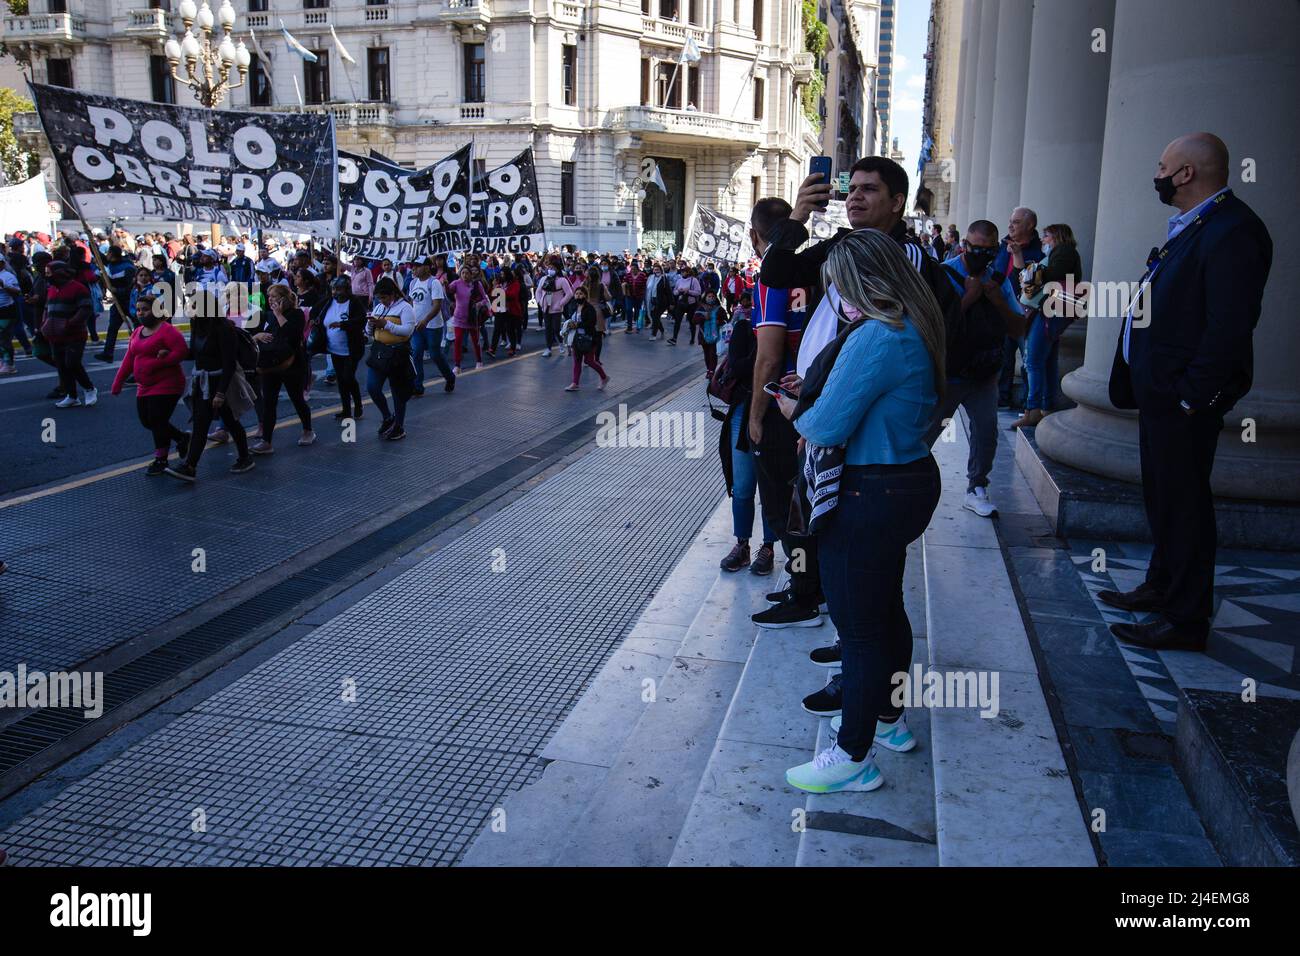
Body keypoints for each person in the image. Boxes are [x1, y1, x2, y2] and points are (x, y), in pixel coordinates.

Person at [776, 229, 945, 794]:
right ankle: (891, 722)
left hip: (869, 492)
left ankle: (853, 755)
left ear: (861, 282)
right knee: (887, 612)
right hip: (903, 484)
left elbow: (823, 424)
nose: (836, 298)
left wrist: (791, 405)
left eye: (839, 286)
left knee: (861, 629)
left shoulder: (879, 335)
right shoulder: (914, 327)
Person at [1101, 132, 1273, 653]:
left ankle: (1184, 616)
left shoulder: (1233, 230)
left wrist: (1187, 396)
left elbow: (1228, 328)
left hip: (1183, 401)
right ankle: (1162, 585)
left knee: (1186, 505)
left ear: (1185, 174)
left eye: (1162, 165)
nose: (1155, 174)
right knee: (1165, 497)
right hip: (1161, 395)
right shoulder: (1195, 226)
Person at [927, 220, 1027, 518]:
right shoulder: (944, 273)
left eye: (988, 250)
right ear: (963, 246)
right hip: (950, 372)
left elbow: (1019, 327)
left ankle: (976, 487)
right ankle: (908, 482)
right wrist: (969, 297)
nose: (981, 254)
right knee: (927, 432)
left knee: (986, 431)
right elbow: (935, 325)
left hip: (984, 372)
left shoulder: (999, 281)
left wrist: (996, 299)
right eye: (975, 248)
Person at [714, 296, 777, 574]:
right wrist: (766, 355)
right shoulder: (744, 327)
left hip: (776, 413)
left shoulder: (788, 328)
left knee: (771, 486)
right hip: (743, 412)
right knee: (742, 486)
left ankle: (769, 547)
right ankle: (742, 544)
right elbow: (739, 367)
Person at [166, 291, 256, 481]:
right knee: (201, 423)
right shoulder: (198, 324)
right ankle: (190, 466)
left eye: (194, 306)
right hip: (202, 381)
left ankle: (245, 457)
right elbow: (196, 352)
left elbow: (229, 363)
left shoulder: (224, 328)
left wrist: (221, 393)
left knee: (230, 421)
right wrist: (171, 353)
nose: (191, 310)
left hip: (220, 381)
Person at [1010, 222, 1084, 429]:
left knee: (1033, 360)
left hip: (1049, 311)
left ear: (1058, 236)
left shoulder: (1064, 251)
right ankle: (1046, 407)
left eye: (1046, 236)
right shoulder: (1064, 252)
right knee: (1047, 360)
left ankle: (1032, 410)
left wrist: (1031, 274)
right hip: (1053, 311)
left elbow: (1050, 275)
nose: (1043, 239)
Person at [110, 295, 190, 476]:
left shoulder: (167, 331)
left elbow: (182, 352)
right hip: (144, 385)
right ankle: (182, 438)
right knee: (147, 421)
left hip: (167, 384)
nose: (140, 313)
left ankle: (161, 458)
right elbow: (129, 358)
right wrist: (118, 381)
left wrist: (158, 363)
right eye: (138, 310)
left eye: (145, 309)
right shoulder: (137, 332)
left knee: (157, 420)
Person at [250, 283, 315, 454]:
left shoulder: (297, 314)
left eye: (274, 297)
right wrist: (258, 336)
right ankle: (267, 441)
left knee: (297, 399)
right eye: (269, 296)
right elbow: (253, 333)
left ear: (284, 299)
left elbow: (291, 335)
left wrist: (279, 314)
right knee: (269, 402)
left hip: (291, 364)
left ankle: (308, 430)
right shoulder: (267, 315)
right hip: (271, 363)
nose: (270, 300)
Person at [994, 207, 1044, 409]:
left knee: (1028, 361)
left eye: (1015, 222)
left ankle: (1028, 404)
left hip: (1026, 315)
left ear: (1029, 225)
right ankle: (1001, 398)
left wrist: (1018, 257)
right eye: (1010, 221)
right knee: (1003, 358)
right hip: (1003, 311)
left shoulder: (1039, 252)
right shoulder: (1003, 246)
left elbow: (1032, 285)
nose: (1010, 225)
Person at [366, 276, 417, 440]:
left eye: (385, 297)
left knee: (398, 392)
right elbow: (368, 333)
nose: (382, 301)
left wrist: (386, 325)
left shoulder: (405, 308)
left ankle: (399, 426)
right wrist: (370, 325)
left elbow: (408, 331)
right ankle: (388, 416)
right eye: (380, 298)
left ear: (393, 294)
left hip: (397, 354)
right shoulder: (379, 308)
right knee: (372, 387)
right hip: (380, 353)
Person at [43, 261, 97, 408]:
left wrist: (69, 323)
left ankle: (89, 388)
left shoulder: (78, 289)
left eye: (49, 272)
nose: (47, 276)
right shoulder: (52, 289)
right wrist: (44, 324)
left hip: (75, 334)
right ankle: (72, 396)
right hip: (55, 335)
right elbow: (47, 309)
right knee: (61, 365)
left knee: (72, 363)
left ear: (59, 273)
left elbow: (85, 309)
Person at [319, 276, 368, 420]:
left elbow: (361, 321)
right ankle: (346, 409)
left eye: (339, 289)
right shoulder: (328, 302)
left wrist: (342, 325)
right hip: (334, 349)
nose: (336, 292)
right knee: (341, 380)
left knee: (348, 377)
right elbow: (317, 312)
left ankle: (358, 404)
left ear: (347, 289)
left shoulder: (354, 303)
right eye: (334, 289)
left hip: (351, 349)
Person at [407, 258, 454, 393]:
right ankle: (418, 385)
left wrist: (426, 320)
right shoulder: (413, 283)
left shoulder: (434, 283)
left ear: (427, 267)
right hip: (417, 326)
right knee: (416, 354)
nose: (414, 269)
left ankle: (449, 377)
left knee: (435, 355)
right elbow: (411, 302)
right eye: (413, 266)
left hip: (433, 326)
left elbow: (437, 305)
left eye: (417, 266)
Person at [563, 284, 609, 392]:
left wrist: (578, 325)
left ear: (585, 295)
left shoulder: (590, 308)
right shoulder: (574, 306)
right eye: (577, 294)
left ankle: (604, 377)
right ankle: (575, 383)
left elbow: (591, 323)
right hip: (576, 338)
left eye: (581, 294)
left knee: (589, 361)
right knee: (577, 361)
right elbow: (570, 318)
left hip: (588, 338)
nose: (578, 296)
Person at [446, 264, 489, 373]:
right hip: (459, 317)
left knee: (476, 341)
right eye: (463, 273)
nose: (465, 275)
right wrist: (446, 285)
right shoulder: (456, 283)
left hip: (472, 318)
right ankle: (457, 365)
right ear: (460, 274)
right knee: (458, 341)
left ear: (471, 274)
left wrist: (479, 304)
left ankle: (479, 361)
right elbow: (449, 291)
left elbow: (485, 299)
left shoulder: (477, 284)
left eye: (467, 273)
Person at [534, 255, 573, 357]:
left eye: (553, 268)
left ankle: (561, 344)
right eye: (549, 267)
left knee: (556, 328)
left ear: (557, 269)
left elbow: (569, 293)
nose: (550, 269)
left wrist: (560, 303)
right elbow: (538, 291)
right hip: (545, 307)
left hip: (556, 309)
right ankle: (548, 348)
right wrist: (539, 302)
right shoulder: (543, 279)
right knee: (548, 329)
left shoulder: (562, 280)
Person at [669, 265, 701, 345]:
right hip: (681, 303)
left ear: (688, 272)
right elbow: (674, 291)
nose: (682, 273)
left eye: (684, 271)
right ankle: (674, 338)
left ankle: (693, 338)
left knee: (691, 322)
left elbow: (698, 292)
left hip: (691, 304)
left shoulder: (694, 280)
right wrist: (679, 291)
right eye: (681, 271)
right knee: (677, 320)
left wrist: (689, 291)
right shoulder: (679, 281)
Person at [696, 289, 725, 375]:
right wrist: (703, 318)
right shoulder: (701, 308)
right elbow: (694, 320)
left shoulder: (719, 309)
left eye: (713, 297)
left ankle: (712, 370)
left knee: (712, 353)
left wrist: (719, 322)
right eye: (709, 296)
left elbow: (725, 320)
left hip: (715, 335)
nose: (711, 298)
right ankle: (708, 369)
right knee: (706, 353)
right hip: (703, 335)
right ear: (705, 297)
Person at [645, 262, 672, 340]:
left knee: (656, 317)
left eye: (658, 269)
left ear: (661, 270)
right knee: (654, 317)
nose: (656, 271)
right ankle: (662, 330)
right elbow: (647, 289)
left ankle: (654, 334)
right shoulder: (650, 277)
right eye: (655, 269)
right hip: (652, 300)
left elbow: (669, 291)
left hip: (661, 302)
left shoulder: (664, 278)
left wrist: (672, 303)